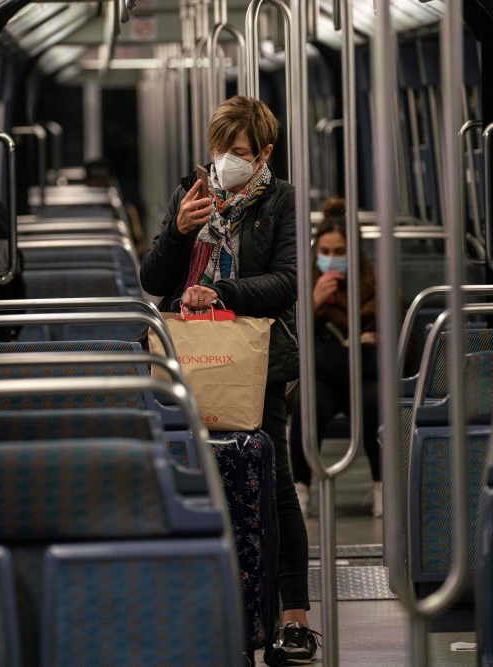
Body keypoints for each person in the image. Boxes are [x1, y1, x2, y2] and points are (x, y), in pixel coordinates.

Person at [139, 96, 320, 662]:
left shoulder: (282, 201)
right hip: (189, 354)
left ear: (263, 153)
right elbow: (153, 279)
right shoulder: (189, 195)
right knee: (192, 481)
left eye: (238, 151)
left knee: (273, 480)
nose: (225, 160)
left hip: (254, 357)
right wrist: (176, 232)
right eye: (220, 148)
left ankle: (294, 618)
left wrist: (223, 292)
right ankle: (210, 609)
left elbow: (288, 282)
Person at [289, 198, 383, 518]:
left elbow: (402, 343)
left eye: (339, 253)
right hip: (322, 378)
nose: (331, 260)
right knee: (307, 401)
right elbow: (289, 341)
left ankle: (381, 484)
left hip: (364, 377)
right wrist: (312, 304)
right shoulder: (303, 286)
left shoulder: (374, 286)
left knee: (375, 402)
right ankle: (301, 486)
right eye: (325, 253)